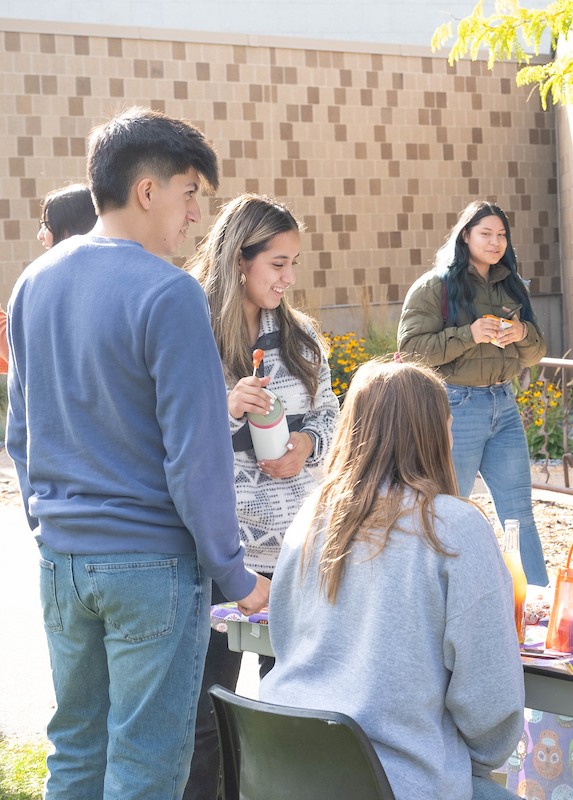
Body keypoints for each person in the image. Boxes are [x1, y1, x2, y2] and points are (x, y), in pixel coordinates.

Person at [6, 107, 269, 799]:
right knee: (146, 766)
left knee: (77, 751)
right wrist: (236, 576)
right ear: (147, 191)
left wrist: (51, 526)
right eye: (189, 194)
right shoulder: (170, 291)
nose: (193, 217)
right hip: (153, 565)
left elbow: (20, 435)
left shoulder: (32, 283)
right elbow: (197, 456)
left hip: (63, 563)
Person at [260, 360, 524, 800]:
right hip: (395, 780)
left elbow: (285, 642)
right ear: (436, 433)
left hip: (282, 770)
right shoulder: (454, 528)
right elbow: (490, 705)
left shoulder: (310, 517)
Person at [183, 194, 339, 799]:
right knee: (208, 711)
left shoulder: (298, 339)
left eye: (294, 263)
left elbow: (328, 412)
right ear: (239, 260)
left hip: (295, 551)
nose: (289, 278)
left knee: (289, 708)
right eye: (277, 263)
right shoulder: (191, 329)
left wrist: (304, 443)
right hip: (221, 551)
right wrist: (225, 411)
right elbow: (169, 432)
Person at [397, 201, 549, 585]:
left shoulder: (513, 286)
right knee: (447, 510)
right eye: (486, 233)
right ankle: (435, 597)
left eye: (502, 235)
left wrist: (522, 334)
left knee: (519, 514)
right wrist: (469, 334)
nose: (495, 242)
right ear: (465, 235)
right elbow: (411, 350)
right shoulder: (435, 286)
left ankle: (536, 606)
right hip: (454, 407)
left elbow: (537, 351)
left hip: (504, 405)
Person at [0, 184, 97, 373]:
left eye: (46, 225)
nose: (40, 236)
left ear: (70, 229)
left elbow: (24, 355)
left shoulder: (49, 282)